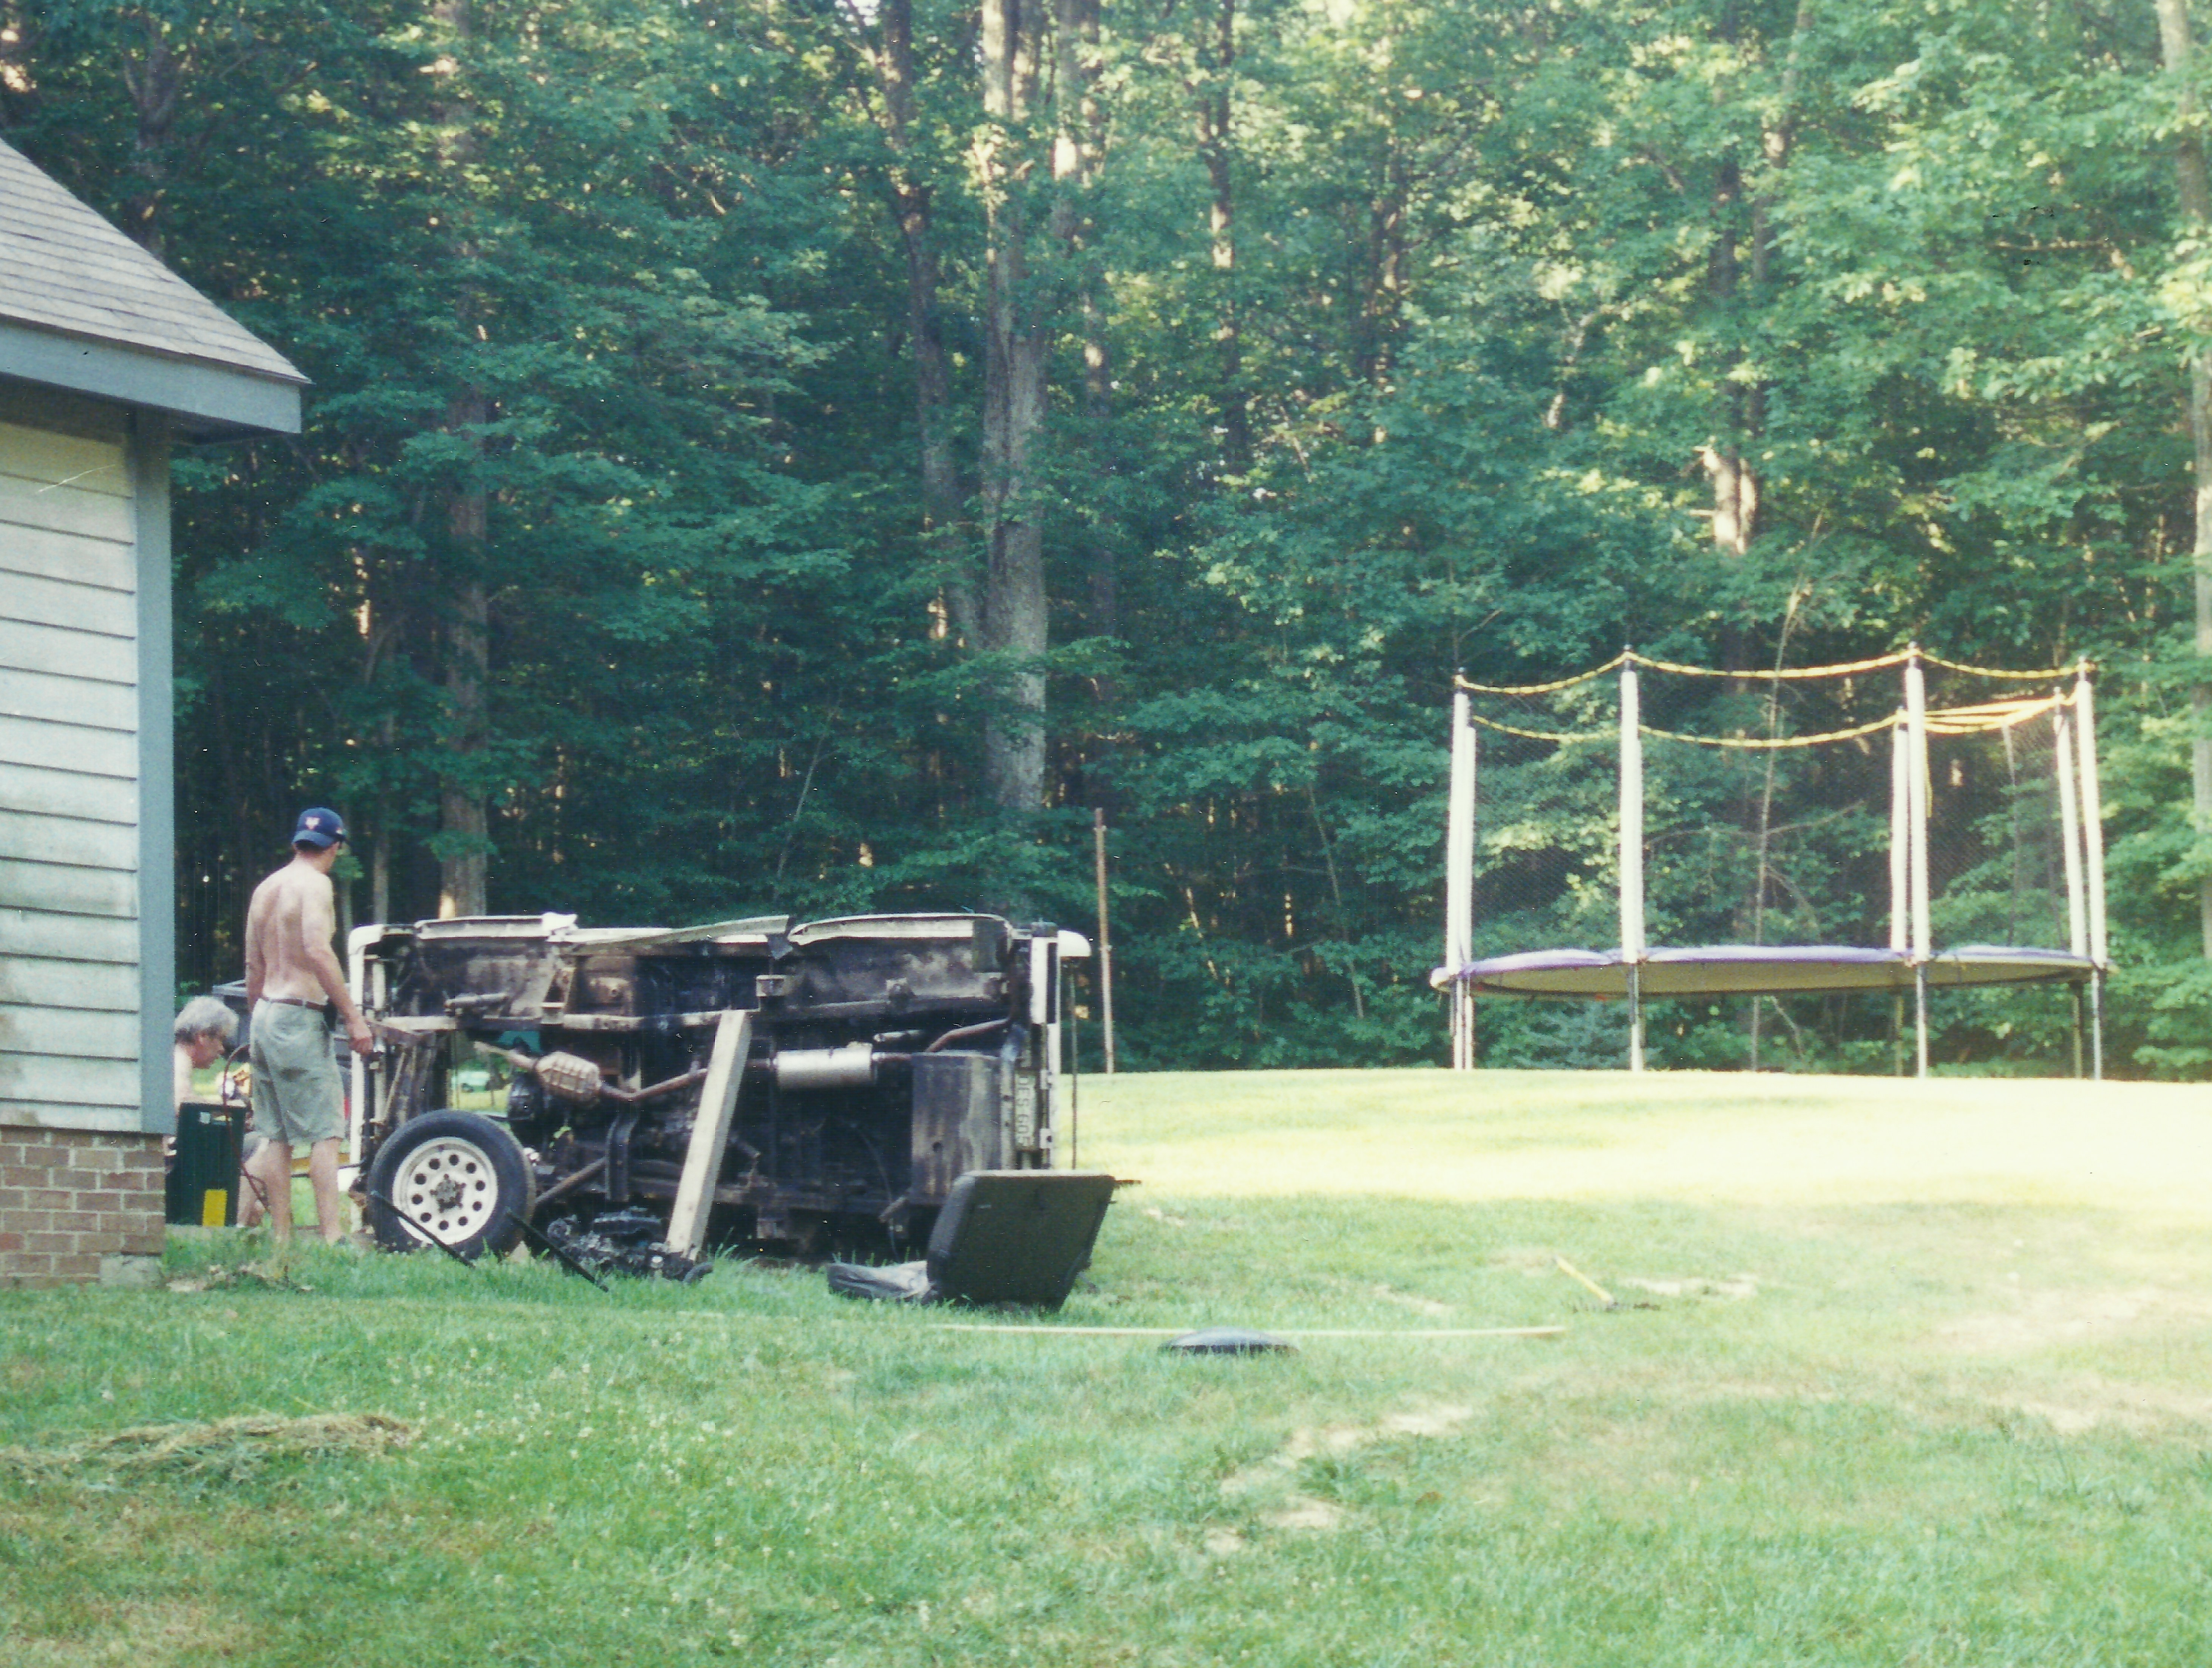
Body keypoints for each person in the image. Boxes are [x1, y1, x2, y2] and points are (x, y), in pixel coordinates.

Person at [243, 807, 375, 1245]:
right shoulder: (317, 885)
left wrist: (259, 1022)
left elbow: (253, 965)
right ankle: (333, 1237)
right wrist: (353, 1017)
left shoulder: (266, 888)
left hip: (264, 1012)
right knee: (326, 1132)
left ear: (296, 842)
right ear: (336, 846)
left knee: (277, 1135)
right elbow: (318, 950)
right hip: (299, 1014)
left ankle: (282, 1237)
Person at [172, 995, 238, 1110]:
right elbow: (182, 1106)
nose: (222, 1049)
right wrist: (233, 1110)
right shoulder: (180, 1063)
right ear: (203, 1036)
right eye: (221, 1039)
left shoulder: (176, 1057)